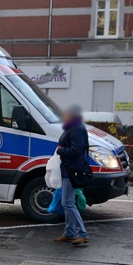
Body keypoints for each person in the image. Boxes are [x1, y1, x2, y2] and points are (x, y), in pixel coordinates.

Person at [54, 104, 89, 246]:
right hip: (69, 168)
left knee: (67, 203)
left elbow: (77, 150)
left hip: (72, 169)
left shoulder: (76, 129)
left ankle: (82, 233)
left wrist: (60, 151)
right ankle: (69, 233)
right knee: (67, 202)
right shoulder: (72, 128)